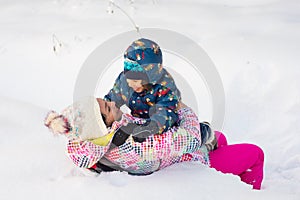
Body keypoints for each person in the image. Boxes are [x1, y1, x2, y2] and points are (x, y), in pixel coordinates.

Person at [44, 97, 264, 190]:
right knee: (255, 154)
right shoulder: (134, 146)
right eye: (108, 108)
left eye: (105, 100)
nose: (113, 103)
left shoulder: (89, 141)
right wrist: (181, 107)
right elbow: (191, 139)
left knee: (220, 138)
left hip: (169, 154)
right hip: (184, 163)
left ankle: (229, 178)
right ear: (102, 126)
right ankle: (246, 193)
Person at [103, 38, 182, 141]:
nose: (131, 84)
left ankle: (205, 133)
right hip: (141, 122)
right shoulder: (124, 82)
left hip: (169, 123)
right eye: (128, 80)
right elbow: (112, 100)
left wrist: (150, 127)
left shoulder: (164, 86)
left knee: (184, 135)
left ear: (150, 78)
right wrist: (103, 117)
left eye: (135, 81)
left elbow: (167, 112)